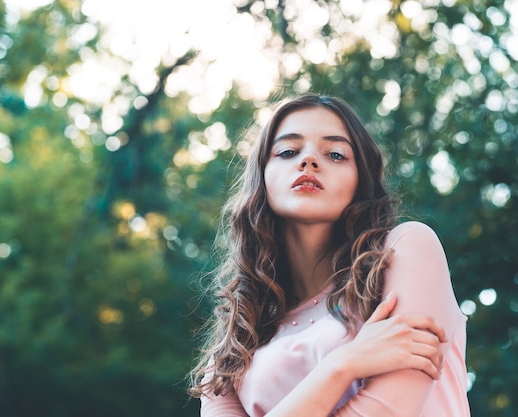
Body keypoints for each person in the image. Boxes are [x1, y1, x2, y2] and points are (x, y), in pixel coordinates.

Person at [188, 93, 470, 416]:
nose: (309, 161)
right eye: (288, 151)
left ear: (360, 181)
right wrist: (343, 364)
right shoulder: (234, 347)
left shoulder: (406, 250)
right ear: (262, 179)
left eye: (335, 154)